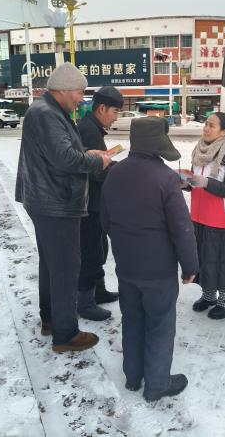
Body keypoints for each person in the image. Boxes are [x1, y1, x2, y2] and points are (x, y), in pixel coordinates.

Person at [100, 116, 199, 402]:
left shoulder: (114, 173)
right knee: (159, 324)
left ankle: (133, 376)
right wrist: (190, 266)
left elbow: (105, 220)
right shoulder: (166, 179)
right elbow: (182, 229)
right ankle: (157, 384)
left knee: (132, 319)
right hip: (158, 269)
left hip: (126, 265)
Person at [15, 62, 111, 353]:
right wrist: (97, 160)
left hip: (46, 200)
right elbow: (65, 159)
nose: (82, 99)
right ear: (65, 89)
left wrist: (85, 152)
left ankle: (51, 320)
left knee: (51, 265)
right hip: (56, 203)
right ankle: (66, 334)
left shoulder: (46, 111)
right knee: (66, 268)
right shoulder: (47, 114)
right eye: (80, 93)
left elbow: (60, 152)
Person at [188, 112, 225, 319]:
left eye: (212, 125)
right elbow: (197, 179)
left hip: (222, 218)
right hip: (199, 214)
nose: (206, 128)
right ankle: (208, 296)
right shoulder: (199, 149)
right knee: (204, 258)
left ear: (224, 131)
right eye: (206, 124)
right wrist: (186, 182)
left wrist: (206, 183)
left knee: (223, 261)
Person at [76, 87, 124, 321]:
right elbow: (95, 170)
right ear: (102, 109)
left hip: (93, 201)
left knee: (98, 248)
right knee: (90, 251)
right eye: (115, 112)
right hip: (88, 204)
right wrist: (118, 172)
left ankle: (99, 290)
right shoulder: (89, 131)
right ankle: (85, 303)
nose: (116, 118)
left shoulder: (90, 127)